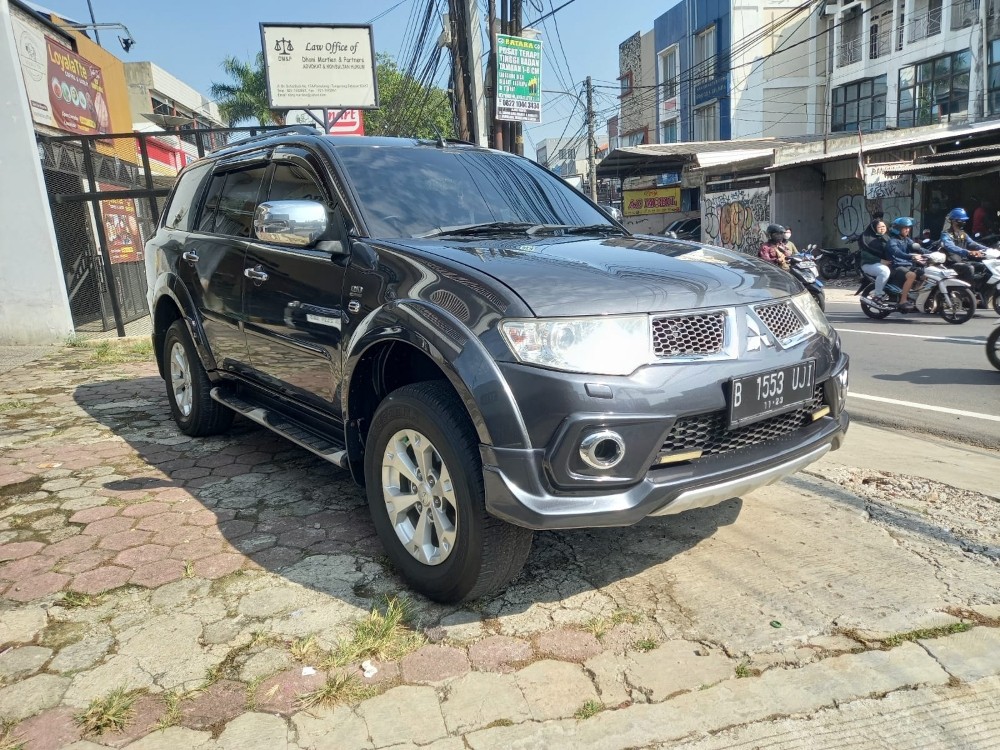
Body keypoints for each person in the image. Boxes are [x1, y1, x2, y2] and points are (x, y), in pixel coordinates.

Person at [884, 217, 925, 313]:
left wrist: (931, 253)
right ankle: (903, 300)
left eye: (908, 227)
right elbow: (897, 253)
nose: (907, 230)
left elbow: (919, 249)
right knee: (911, 275)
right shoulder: (892, 241)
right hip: (896, 266)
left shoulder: (907, 240)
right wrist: (911, 257)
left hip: (907, 266)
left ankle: (915, 298)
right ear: (898, 229)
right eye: (904, 228)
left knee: (925, 275)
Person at [859, 219, 891, 302]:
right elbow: (864, 255)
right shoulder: (867, 239)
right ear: (874, 228)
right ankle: (878, 295)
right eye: (879, 227)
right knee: (884, 271)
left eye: (883, 226)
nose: (882, 228)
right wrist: (880, 260)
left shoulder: (887, 237)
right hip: (869, 264)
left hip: (886, 263)